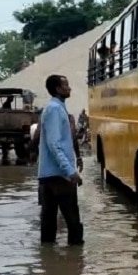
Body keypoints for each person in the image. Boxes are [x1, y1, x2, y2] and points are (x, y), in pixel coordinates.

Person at [37, 74, 84, 246]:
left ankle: (49, 266)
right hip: (59, 176)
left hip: (50, 175)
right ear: (58, 89)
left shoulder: (56, 109)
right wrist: (70, 172)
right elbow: (54, 145)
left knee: (48, 222)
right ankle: (75, 265)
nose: (69, 88)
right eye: (66, 85)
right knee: (73, 224)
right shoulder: (55, 110)